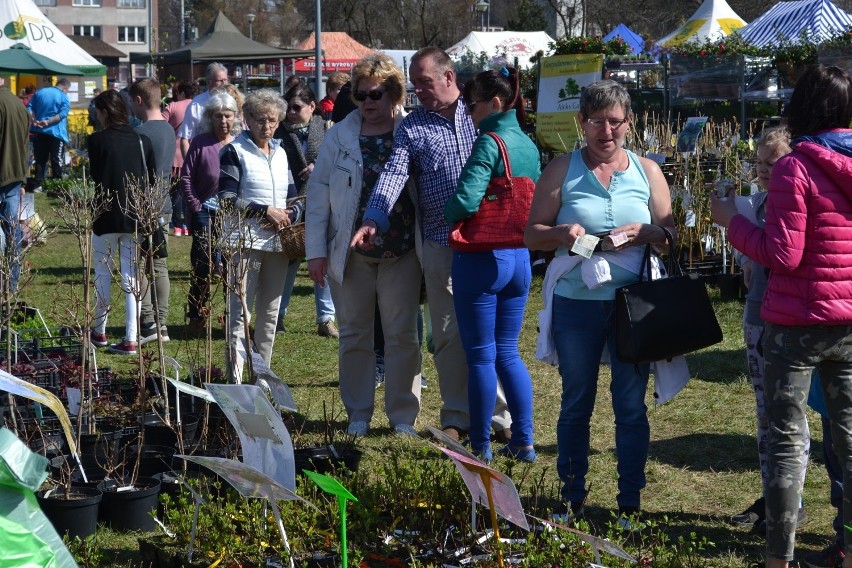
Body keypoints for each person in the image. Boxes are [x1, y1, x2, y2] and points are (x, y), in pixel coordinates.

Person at [710, 64, 852, 568]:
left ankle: (779, 558)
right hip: (849, 320)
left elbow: (783, 254)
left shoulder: (797, 167)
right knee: (850, 441)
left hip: (797, 322)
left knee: (786, 440)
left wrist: (731, 223)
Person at [523, 79, 675, 525]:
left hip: (634, 304)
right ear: (580, 123)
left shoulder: (647, 170)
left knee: (630, 404)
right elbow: (532, 234)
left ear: (629, 123)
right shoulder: (560, 169)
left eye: (614, 122)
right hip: (577, 302)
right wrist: (561, 234)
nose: (605, 131)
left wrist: (649, 233)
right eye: (595, 122)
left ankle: (630, 502)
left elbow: (670, 239)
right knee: (577, 400)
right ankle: (572, 498)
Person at [350, 46, 512, 443]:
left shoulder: (481, 115)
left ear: (449, 77)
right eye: (414, 82)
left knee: (490, 333)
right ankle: (457, 417)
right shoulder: (412, 126)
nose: (417, 90)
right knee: (447, 333)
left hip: (491, 242)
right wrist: (374, 217)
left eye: (424, 81)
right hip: (442, 244)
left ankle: (499, 419)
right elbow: (394, 173)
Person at [307, 54, 422, 437]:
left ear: (394, 93)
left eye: (378, 93)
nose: (369, 102)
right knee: (354, 333)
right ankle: (358, 412)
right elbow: (319, 194)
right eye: (361, 94)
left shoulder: (411, 128)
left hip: (402, 251)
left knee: (401, 334)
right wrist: (316, 252)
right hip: (349, 252)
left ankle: (403, 415)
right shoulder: (339, 134)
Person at [444, 67, 541, 462]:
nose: (469, 113)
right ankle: (525, 440)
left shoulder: (488, 142)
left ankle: (481, 445)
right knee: (508, 352)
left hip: (482, 257)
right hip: (520, 256)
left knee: (481, 355)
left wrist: (448, 213)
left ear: (495, 104)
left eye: (473, 105)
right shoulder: (529, 144)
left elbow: (466, 201)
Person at [728, 128, 809, 532]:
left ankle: (789, 499)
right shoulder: (759, 202)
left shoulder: (788, 203)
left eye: (772, 164)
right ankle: (772, 493)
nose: (763, 171)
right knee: (766, 416)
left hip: (779, 318)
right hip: (756, 315)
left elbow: (782, 254)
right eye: (759, 163)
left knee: (786, 419)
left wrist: (738, 230)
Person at [219, 89, 301, 382]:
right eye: (260, 120)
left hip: (278, 243)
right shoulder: (234, 151)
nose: (267, 126)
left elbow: (293, 196)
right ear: (247, 119)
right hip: (242, 242)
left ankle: (262, 377)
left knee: (271, 312)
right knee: (240, 312)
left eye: (273, 120)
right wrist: (264, 210)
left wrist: (294, 213)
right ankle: (236, 379)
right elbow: (226, 198)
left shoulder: (281, 152)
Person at [88, 89, 156, 355]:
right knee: (130, 275)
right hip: (134, 214)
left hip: (105, 213)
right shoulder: (143, 140)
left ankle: (100, 330)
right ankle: (130, 336)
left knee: (103, 273)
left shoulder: (97, 140)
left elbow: (96, 175)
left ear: (105, 112)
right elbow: (149, 178)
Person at [274, 83, 339, 338]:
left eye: (296, 107)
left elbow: (337, 159)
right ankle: (277, 315)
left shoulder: (326, 129)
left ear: (312, 107)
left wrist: (318, 165)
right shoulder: (277, 132)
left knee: (322, 260)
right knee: (289, 260)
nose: (290, 112)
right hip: (289, 204)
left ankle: (325, 319)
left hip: (321, 201)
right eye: (287, 107)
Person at [182, 93, 240, 330]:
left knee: (231, 264)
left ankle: (230, 315)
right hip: (205, 209)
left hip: (232, 212)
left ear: (235, 117)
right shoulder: (200, 142)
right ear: (210, 117)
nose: (223, 121)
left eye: (227, 116)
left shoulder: (240, 143)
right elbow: (186, 177)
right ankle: (197, 313)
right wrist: (195, 207)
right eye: (218, 116)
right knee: (202, 263)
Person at [129, 77, 177, 346]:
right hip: (164, 204)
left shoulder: (141, 133)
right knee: (159, 266)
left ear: (139, 100)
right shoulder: (169, 129)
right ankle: (162, 322)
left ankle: (148, 322)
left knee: (138, 266)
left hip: (143, 206)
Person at [0, 77, 29, 292]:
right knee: (13, 232)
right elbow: (25, 144)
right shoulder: (19, 104)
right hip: (15, 175)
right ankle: (12, 283)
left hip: (4, 175)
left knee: (11, 232)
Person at [163, 80, 198, 236]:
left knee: (176, 192)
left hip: (175, 153)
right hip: (194, 153)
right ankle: (189, 223)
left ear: (182, 92)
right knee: (190, 191)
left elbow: (161, 124)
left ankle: (178, 225)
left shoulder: (173, 106)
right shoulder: (199, 106)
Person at [27, 78, 71, 193]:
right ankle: (57, 185)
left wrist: (34, 120)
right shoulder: (63, 96)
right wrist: (48, 122)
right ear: (65, 87)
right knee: (56, 159)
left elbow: (29, 108)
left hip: (39, 131)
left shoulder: (39, 92)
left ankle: (38, 184)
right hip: (56, 132)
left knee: (40, 159)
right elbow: (62, 114)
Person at [178, 62, 229, 158]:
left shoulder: (232, 101)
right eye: (220, 80)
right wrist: (190, 167)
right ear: (209, 82)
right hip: (204, 157)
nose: (224, 84)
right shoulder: (196, 104)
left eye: (225, 80)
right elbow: (185, 139)